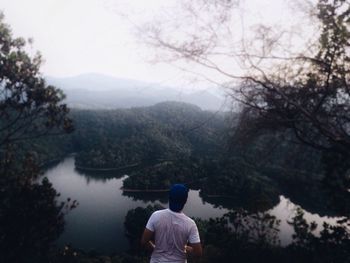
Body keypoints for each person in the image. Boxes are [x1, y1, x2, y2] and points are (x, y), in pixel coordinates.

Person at [141, 184, 202, 263]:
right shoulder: (190, 224)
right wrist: (186, 248)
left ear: (169, 198)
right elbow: (198, 253)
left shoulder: (156, 216)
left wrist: (155, 248)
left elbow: (144, 241)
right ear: (185, 201)